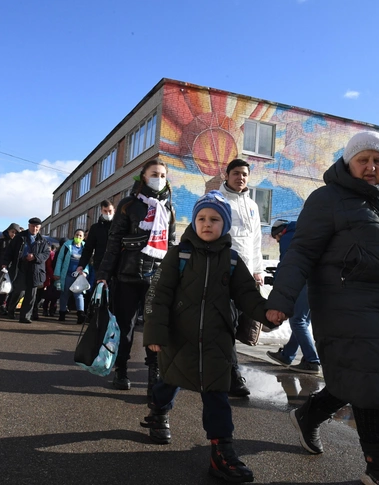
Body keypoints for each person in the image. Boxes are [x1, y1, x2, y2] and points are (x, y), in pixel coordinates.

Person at [265, 131, 379, 485]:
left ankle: (309, 416)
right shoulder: (327, 199)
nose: (372, 167)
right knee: (369, 375)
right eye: (364, 159)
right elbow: (301, 252)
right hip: (344, 303)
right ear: (348, 162)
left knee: (359, 376)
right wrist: (281, 300)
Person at [142, 191, 267, 483]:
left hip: (216, 341)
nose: (207, 224)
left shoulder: (233, 261)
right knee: (169, 381)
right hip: (179, 336)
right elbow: (157, 295)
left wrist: (269, 313)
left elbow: (248, 296)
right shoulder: (179, 254)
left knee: (217, 395)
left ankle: (221, 451)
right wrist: (155, 332)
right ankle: (158, 412)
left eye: (214, 219)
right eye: (201, 218)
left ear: (224, 225)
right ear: (194, 223)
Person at [96, 158, 176, 393]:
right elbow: (113, 242)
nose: (159, 178)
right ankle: (121, 370)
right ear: (143, 176)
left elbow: (170, 245)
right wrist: (103, 274)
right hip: (127, 276)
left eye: (163, 175)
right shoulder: (128, 205)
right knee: (125, 326)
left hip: (157, 278)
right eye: (154, 174)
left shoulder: (169, 209)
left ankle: (154, 373)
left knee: (155, 327)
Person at [218, 158, 266, 397]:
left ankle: (225, 368)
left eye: (245, 174)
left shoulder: (252, 205)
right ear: (226, 175)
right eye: (236, 173)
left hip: (246, 275)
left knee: (238, 325)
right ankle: (233, 375)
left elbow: (256, 240)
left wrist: (258, 270)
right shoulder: (217, 201)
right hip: (223, 272)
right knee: (228, 323)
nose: (241, 178)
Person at [265, 220, 321, 374]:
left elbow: (288, 263)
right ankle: (287, 355)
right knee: (302, 320)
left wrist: (275, 279)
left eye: (276, 238)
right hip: (316, 280)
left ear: (279, 232)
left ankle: (312, 360)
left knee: (297, 321)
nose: (277, 241)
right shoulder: (302, 230)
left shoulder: (288, 237)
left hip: (304, 281)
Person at [1, 217, 51, 324]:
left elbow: (46, 254)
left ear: (40, 228)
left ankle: (25, 316)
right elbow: (10, 251)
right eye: (32, 226)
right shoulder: (19, 237)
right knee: (19, 291)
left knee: (31, 294)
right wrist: (5, 262)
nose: (34, 229)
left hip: (35, 269)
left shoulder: (43, 241)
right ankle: (11, 309)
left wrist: (35, 257)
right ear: (29, 226)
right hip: (21, 267)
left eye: (37, 227)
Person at [53, 229, 89, 323]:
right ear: (74, 235)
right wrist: (57, 273)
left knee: (79, 295)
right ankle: (62, 313)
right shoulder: (66, 246)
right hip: (67, 274)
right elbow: (60, 259)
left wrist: (85, 271)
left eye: (80, 236)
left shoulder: (86, 247)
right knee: (64, 294)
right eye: (77, 235)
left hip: (79, 276)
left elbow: (87, 261)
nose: (78, 237)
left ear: (83, 237)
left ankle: (81, 315)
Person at [77, 200, 115, 286]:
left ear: (114, 210)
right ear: (101, 211)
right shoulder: (95, 228)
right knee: (99, 292)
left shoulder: (119, 226)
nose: (108, 214)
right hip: (100, 265)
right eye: (105, 211)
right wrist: (82, 264)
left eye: (110, 211)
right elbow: (88, 249)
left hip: (117, 265)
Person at [0, 223, 22, 313]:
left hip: (12, 268)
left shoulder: (19, 243)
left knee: (8, 288)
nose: (14, 234)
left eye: (16, 233)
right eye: (12, 232)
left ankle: (3, 305)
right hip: (1, 267)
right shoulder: (2, 241)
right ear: (8, 231)